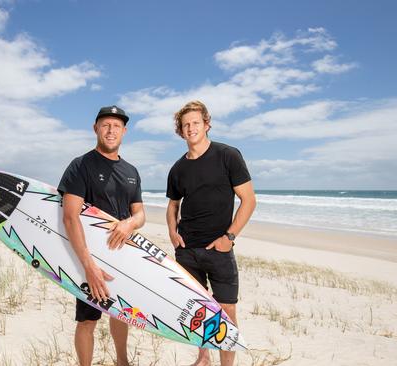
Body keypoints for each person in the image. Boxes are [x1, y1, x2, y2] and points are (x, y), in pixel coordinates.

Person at [166, 100, 256, 366]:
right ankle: (203, 359)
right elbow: (173, 205)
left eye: (195, 123)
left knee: (226, 310)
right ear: (180, 132)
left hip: (219, 249)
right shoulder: (178, 168)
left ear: (207, 125)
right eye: (185, 125)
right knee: (196, 308)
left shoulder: (228, 155)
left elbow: (248, 200)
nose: (191, 128)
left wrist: (229, 238)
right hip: (187, 250)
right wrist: (173, 232)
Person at [58, 105, 146, 366]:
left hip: (120, 255)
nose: (111, 130)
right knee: (87, 319)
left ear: (124, 131)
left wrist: (129, 224)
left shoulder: (131, 172)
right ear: (95, 128)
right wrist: (88, 266)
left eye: (116, 126)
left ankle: (122, 361)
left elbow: (140, 214)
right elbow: (70, 217)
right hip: (89, 257)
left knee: (121, 314)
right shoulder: (80, 165)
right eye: (105, 125)